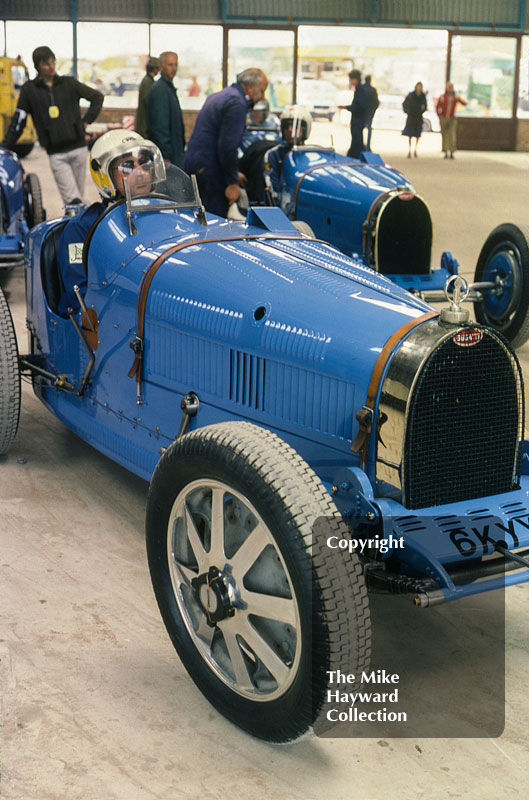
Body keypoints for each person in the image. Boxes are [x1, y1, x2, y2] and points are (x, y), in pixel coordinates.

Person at [57, 129, 165, 317]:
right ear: (105, 176)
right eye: (127, 167)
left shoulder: (164, 216)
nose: (140, 173)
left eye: (145, 164)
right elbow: (79, 296)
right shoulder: (81, 229)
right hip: (103, 326)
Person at [1, 45, 103, 205]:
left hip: (79, 150)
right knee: (73, 200)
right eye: (46, 64)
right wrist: (5, 148)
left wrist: (86, 121)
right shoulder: (29, 90)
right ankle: (77, 225)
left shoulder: (69, 83)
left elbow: (97, 97)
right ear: (38, 66)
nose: (51, 67)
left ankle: (78, 225)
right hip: (57, 155)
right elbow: (18, 120)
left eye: (53, 62)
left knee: (78, 198)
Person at [183, 68, 268, 217]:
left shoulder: (220, 95)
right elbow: (227, 147)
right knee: (213, 222)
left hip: (195, 164)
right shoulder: (237, 104)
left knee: (197, 217)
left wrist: (234, 173)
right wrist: (232, 183)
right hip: (210, 171)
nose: (261, 97)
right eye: (261, 91)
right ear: (249, 86)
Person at [263, 105, 311, 204]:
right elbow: (273, 190)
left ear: (305, 129)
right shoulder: (273, 155)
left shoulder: (311, 154)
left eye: (295, 126)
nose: (290, 130)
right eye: (286, 126)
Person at [146, 51, 185, 167]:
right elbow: (159, 126)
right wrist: (165, 155)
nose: (174, 69)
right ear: (161, 66)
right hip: (167, 158)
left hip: (175, 153)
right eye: (170, 65)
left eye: (175, 65)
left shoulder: (168, 88)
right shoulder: (160, 90)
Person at [338, 69, 369, 159]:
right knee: (357, 138)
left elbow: (358, 106)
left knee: (357, 139)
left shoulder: (360, 90)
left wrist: (347, 107)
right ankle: (354, 154)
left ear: (355, 79)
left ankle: (356, 156)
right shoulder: (361, 89)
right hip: (360, 118)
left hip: (358, 119)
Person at [436, 81, 467, 159]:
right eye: (449, 87)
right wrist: (439, 115)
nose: (450, 88)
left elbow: (464, 103)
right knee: (444, 134)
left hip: (452, 118)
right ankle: (445, 151)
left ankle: (452, 151)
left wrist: (458, 97)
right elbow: (437, 106)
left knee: (452, 134)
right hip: (443, 117)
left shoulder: (455, 97)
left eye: (451, 87)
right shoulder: (443, 96)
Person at [135, 56, 160, 137]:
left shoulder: (148, 81)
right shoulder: (147, 82)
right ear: (154, 69)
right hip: (144, 127)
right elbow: (149, 102)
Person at [402, 82, 428, 158]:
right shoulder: (411, 95)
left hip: (418, 117)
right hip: (411, 116)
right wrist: (408, 111)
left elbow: (425, 105)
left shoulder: (423, 96)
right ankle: (410, 150)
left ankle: (415, 149)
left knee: (417, 134)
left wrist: (422, 111)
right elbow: (405, 104)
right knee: (410, 134)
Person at [363, 75, 380, 152]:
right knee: (369, 129)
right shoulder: (373, 90)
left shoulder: (361, 89)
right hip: (370, 113)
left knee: (361, 129)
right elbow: (376, 102)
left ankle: (362, 145)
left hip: (362, 113)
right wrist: (373, 111)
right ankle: (367, 146)